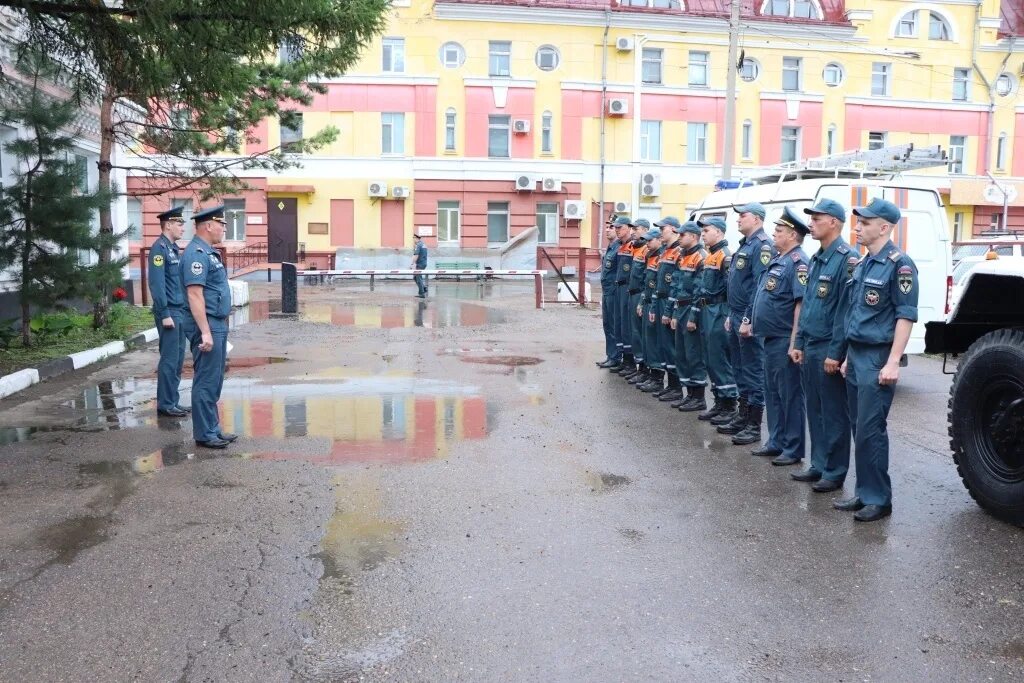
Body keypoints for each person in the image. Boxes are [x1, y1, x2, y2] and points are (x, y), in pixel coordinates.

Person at [835, 198, 919, 522]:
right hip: (857, 356)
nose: (857, 227)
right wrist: (846, 357)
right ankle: (864, 492)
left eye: (864, 223)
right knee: (859, 428)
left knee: (872, 430)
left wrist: (894, 360)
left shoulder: (901, 264)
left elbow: (905, 315)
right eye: (858, 222)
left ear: (884, 227)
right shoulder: (864, 263)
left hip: (877, 356)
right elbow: (856, 312)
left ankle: (879, 499)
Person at [789, 199, 855, 491]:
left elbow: (845, 311)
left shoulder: (846, 259)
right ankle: (817, 464)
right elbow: (809, 305)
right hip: (812, 344)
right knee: (814, 409)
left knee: (833, 413)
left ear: (834, 223)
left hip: (829, 346)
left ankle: (835, 470)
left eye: (817, 219)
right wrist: (799, 341)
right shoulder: (816, 259)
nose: (811, 223)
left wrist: (835, 353)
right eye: (811, 219)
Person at [748, 206, 809, 464]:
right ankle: (776, 441)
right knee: (772, 393)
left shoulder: (798, 262)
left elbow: (800, 304)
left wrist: (795, 341)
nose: (774, 233)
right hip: (770, 338)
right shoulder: (778, 259)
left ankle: (792, 448)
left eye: (779, 230)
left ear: (793, 235)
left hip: (785, 338)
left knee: (790, 395)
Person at [181, 205, 236, 449]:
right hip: (207, 324)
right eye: (221, 224)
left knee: (214, 379)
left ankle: (212, 428)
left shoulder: (208, 252)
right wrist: (205, 331)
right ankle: (204, 434)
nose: (224, 229)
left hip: (216, 322)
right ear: (208, 225)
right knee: (206, 379)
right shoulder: (196, 254)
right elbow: (194, 294)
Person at [719, 202, 776, 437]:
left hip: (747, 316)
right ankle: (742, 416)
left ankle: (753, 424)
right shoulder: (745, 245)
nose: (738, 220)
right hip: (735, 313)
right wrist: (731, 315)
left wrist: (746, 318)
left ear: (757, 219)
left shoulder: (762, 246)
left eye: (743, 216)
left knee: (753, 370)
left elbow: (759, 287)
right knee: (739, 368)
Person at [690, 217, 738, 420]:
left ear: (718, 232)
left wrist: (727, 314)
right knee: (710, 359)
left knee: (720, 358)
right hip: (707, 310)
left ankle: (729, 404)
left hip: (719, 310)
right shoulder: (711, 256)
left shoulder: (725, 257)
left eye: (707, 230)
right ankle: (719, 401)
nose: (703, 234)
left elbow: (730, 288)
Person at [148, 206, 190, 418]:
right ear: (168, 225)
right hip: (169, 312)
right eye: (179, 223)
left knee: (178, 358)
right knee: (170, 358)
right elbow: (157, 284)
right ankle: (165, 403)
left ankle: (172, 400)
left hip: (179, 310)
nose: (183, 227)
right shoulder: (159, 249)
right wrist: (164, 313)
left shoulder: (173, 248)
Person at [670, 221, 708, 412]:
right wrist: (675, 313)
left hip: (693, 309)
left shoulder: (701, 257)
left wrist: (693, 316)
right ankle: (690, 394)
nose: (679, 238)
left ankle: (699, 397)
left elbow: (699, 290)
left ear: (693, 236)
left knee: (694, 353)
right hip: (681, 308)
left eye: (682, 235)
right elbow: (677, 286)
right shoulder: (683, 256)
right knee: (682, 353)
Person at [652, 217, 684, 401]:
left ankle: (677, 387)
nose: (660, 232)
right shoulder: (665, 251)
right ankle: (670, 385)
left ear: (672, 228)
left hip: (671, 302)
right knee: (664, 345)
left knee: (673, 347)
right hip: (661, 300)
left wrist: (671, 310)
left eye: (662, 228)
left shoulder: (679, 252)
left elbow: (678, 283)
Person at [637, 227, 666, 393]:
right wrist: (642, 302)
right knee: (647, 340)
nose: (647, 243)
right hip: (648, 300)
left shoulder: (661, 256)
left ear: (658, 240)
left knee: (655, 342)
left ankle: (657, 378)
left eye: (650, 240)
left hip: (656, 303)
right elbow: (647, 282)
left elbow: (659, 284)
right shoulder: (650, 256)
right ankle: (650, 374)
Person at [624, 220, 653, 384]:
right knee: (634, 333)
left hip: (641, 294)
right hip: (632, 293)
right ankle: (640, 367)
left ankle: (645, 370)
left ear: (645, 230)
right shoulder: (637, 248)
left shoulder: (647, 250)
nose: (633, 231)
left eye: (636, 229)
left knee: (641, 334)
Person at [597, 218, 628, 369]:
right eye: (607, 227)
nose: (609, 229)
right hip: (607, 292)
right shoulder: (610, 248)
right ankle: (611, 355)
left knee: (615, 325)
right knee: (607, 325)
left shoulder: (619, 248)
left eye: (612, 227)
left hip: (615, 293)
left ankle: (616, 357)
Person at [612, 219, 639, 374]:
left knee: (628, 325)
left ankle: (630, 361)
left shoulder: (633, 246)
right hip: (618, 287)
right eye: (615, 228)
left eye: (620, 227)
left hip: (628, 288)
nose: (617, 230)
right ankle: (623, 358)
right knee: (619, 323)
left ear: (629, 228)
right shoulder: (619, 246)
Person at [411, 232, 428, 298]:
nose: (413, 240)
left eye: (414, 238)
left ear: (416, 238)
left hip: (420, 264)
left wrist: (412, 263)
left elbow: (416, 255)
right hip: (424, 263)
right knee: (415, 277)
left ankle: (422, 293)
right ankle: (424, 288)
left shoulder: (418, 245)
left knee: (418, 278)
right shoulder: (424, 244)